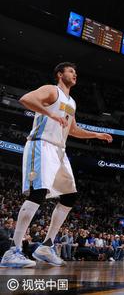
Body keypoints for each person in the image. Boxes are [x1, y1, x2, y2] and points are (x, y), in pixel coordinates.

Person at [0, 62, 113, 268]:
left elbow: (73, 129)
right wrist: (50, 113)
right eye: (71, 71)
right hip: (41, 144)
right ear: (60, 75)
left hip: (59, 150)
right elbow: (26, 99)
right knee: (39, 192)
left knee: (70, 196)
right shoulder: (51, 90)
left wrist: (95, 134)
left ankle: (46, 245)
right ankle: (13, 249)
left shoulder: (72, 101)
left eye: (75, 72)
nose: (75, 74)